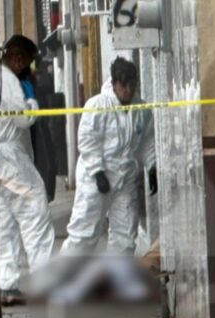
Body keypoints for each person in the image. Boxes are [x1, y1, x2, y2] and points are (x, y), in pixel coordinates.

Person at [61, 57, 156, 256]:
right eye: (123, 86)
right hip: (96, 179)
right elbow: (87, 140)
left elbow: (147, 141)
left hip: (125, 179)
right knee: (84, 233)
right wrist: (98, 173)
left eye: (131, 85)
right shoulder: (97, 105)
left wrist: (152, 166)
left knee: (125, 234)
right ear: (114, 83)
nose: (127, 90)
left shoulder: (141, 109)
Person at [0, 34, 55, 304]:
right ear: (18, 60)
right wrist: (31, 102)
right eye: (28, 63)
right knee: (35, 212)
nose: (29, 69)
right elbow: (23, 119)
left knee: (5, 222)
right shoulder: (8, 81)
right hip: (10, 157)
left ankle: (7, 285)